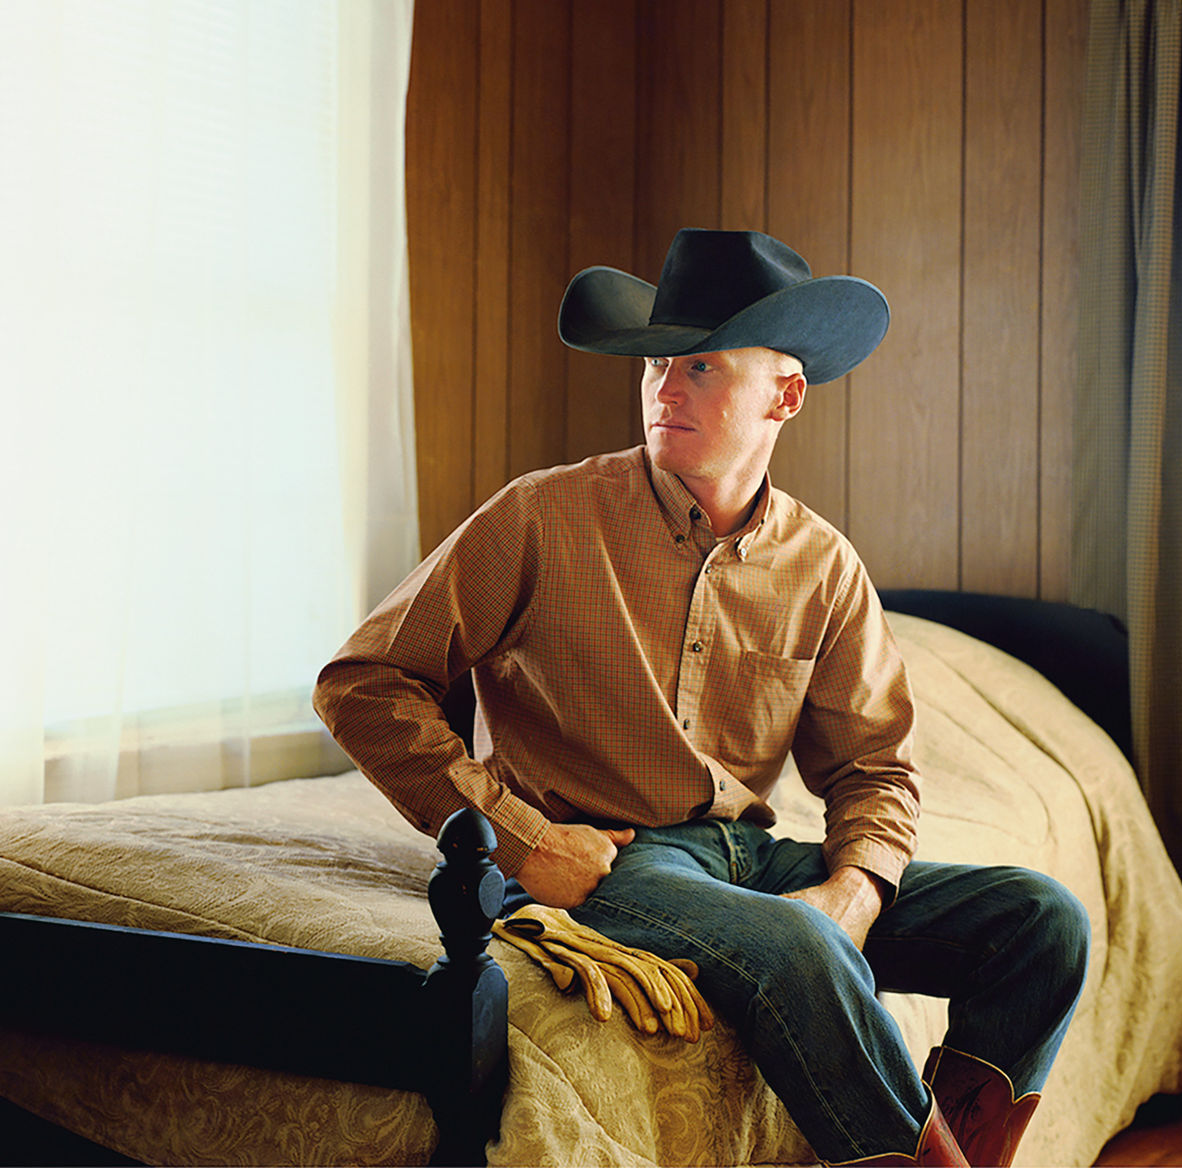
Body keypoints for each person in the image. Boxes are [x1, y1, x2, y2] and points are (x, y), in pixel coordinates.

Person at [314, 228, 1089, 1167]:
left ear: (785, 395)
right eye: (657, 364)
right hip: (609, 862)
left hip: (748, 859)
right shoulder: (541, 517)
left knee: (1042, 922)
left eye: (703, 366)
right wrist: (522, 839)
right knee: (795, 946)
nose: (664, 389)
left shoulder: (824, 566)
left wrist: (852, 890)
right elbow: (363, 682)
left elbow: (874, 768)